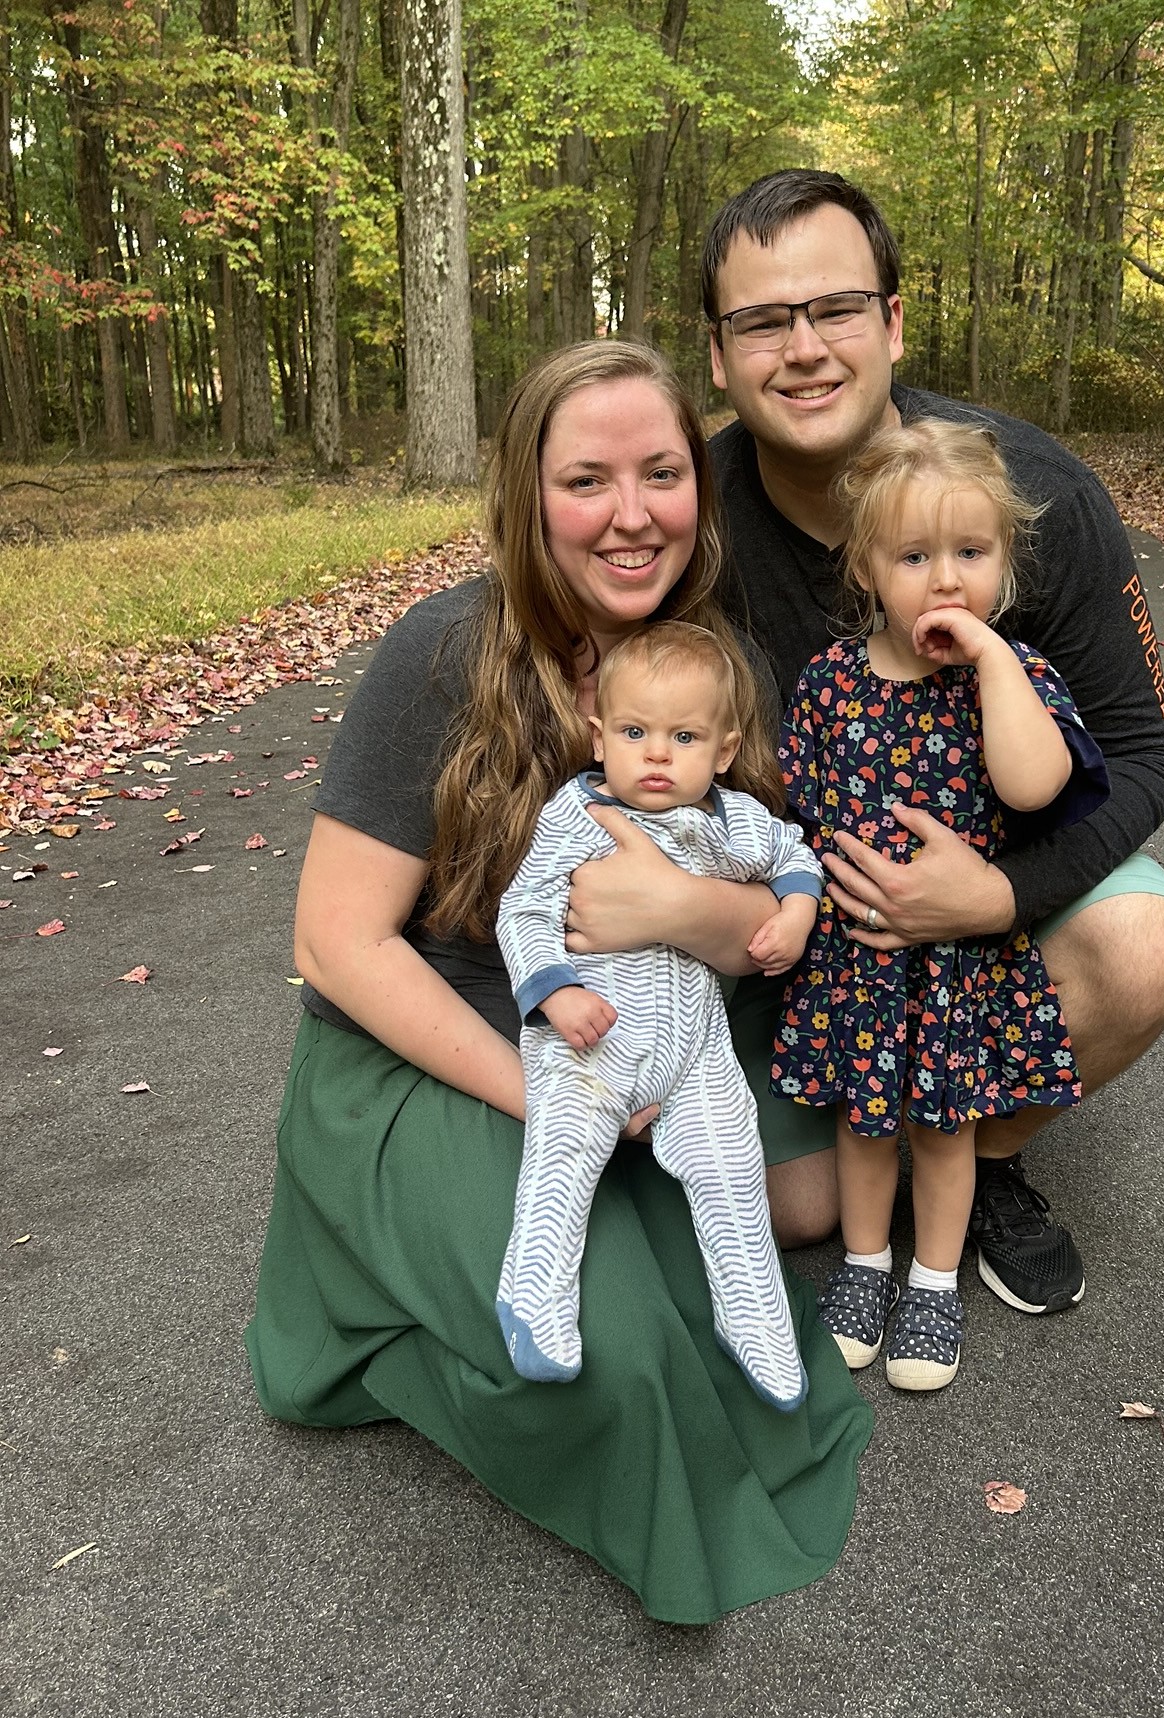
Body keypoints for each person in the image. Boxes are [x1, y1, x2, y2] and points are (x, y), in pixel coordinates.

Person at [244, 340, 873, 1626]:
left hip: (657, 1017)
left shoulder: (708, 657)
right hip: (441, 1047)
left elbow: (767, 871)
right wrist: (554, 1092)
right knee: (626, 1369)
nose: (632, 514)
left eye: (662, 472)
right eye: (588, 478)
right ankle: (366, 1301)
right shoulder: (443, 653)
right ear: (529, 496)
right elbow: (336, 946)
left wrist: (702, 912)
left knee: (794, 1212)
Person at [698, 167, 1164, 1319]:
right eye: (763, 320)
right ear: (719, 356)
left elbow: (1145, 753)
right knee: (803, 1208)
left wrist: (998, 895)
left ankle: (977, 1158)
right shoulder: (690, 511)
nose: (805, 347)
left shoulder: (1035, 500)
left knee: (1142, 944)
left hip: (988, 877)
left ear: (892, 322)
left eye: (834, 308)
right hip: (784, 907)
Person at [772, 420, 1109, 1389]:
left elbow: (1036, 785)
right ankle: (866, 1264)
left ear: (1006, 563)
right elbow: (800, 807)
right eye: (916, 557)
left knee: (945, 1128)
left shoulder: (1017, 683)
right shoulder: (834, 682)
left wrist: (994, 661)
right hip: (858, 959)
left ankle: (931, 1282)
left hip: (961, 965)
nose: (947, 579)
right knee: (864, 1125)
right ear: (869, 570)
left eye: (972, 552)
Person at [494, 621, 821, 1410]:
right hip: (595, 1033)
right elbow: (525, 908)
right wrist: (557, 992)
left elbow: (795, 854)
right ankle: (533, 1296)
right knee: (565, 1147)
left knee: (732, 1169)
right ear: (598, 736)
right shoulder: (576, 816)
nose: (657, 755)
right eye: (635, 732)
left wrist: (799, 912)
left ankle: (753, 1317)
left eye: (684, 736)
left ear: (723, 747)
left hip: (695, 1044)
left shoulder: (732, 819)